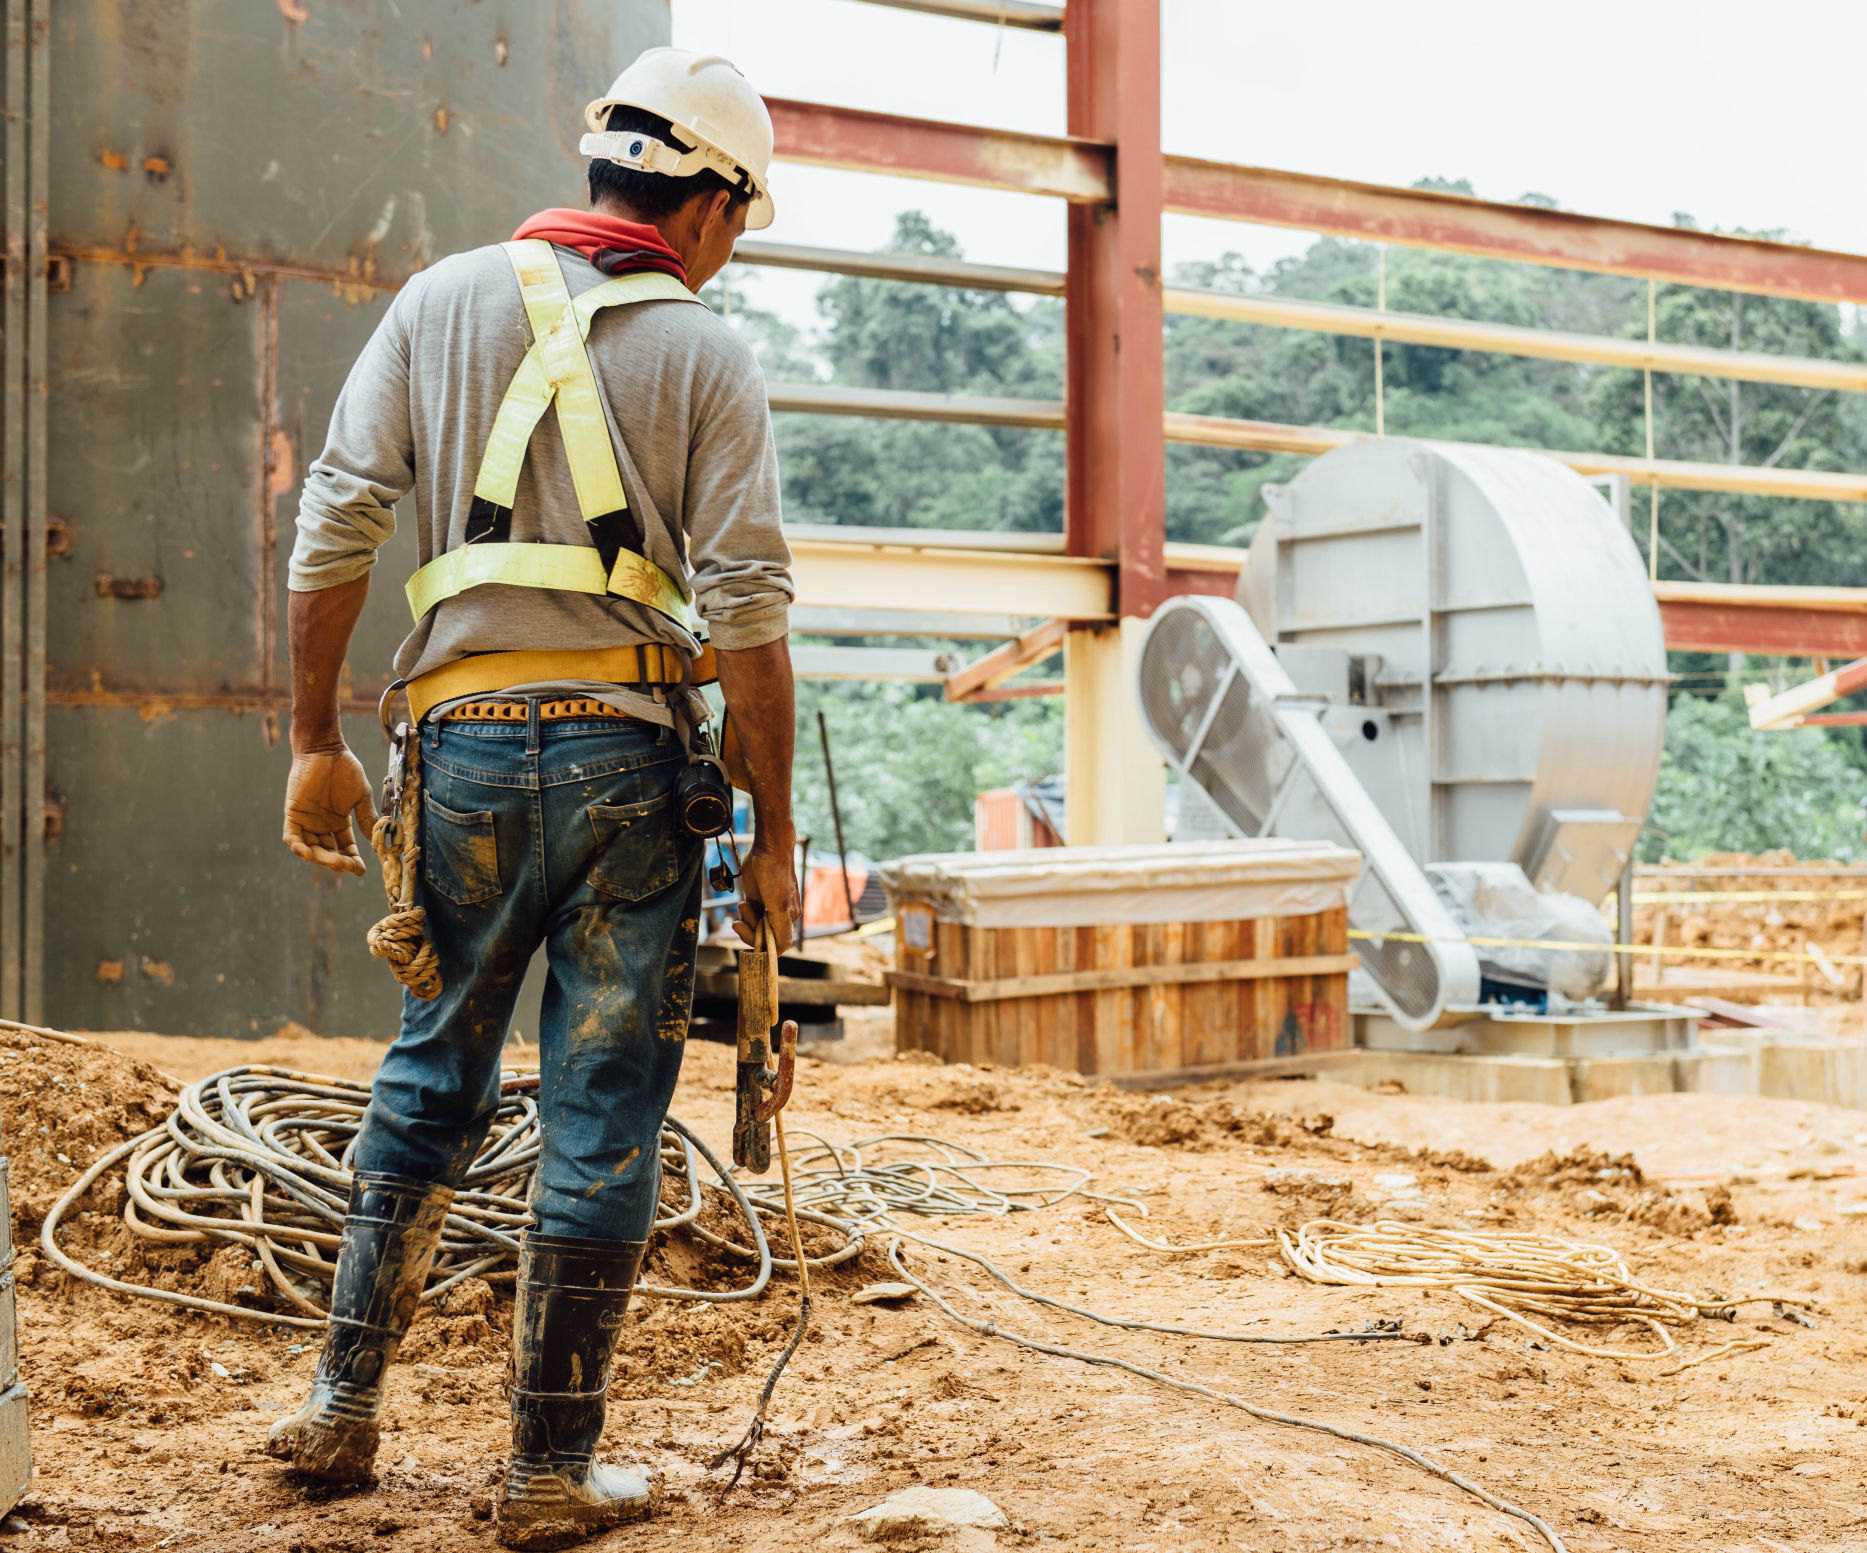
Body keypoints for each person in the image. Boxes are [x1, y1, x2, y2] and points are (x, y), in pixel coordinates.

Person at [268, 46, 799, 1550]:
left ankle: (340, 1410)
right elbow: (751, 608)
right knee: (603, 1100)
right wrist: (771, 835)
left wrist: (313, 734)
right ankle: (551, 1470)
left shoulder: (436, 302)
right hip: (634, 766)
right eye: (739, 222)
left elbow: (338, 511)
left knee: (432, 1063)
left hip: (465, 750)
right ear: (706, 205)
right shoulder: (708, 354)